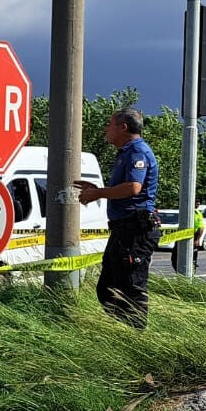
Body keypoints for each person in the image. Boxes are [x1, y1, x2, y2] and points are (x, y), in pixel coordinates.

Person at [78, 108, 161, 326]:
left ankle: (136, 337)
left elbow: (134, 187)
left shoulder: (137, 152)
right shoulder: (126, 152)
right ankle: (121, 331)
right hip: (123, 230)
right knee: (107, 288)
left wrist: (98, 193)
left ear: (123, 127)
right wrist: (98, 189)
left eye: (109, 124)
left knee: (131, 288)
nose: (106, 129)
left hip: (136, 230)